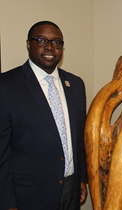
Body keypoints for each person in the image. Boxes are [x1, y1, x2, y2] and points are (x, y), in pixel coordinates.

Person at [0, 21, 87, 210]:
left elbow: (78, 138)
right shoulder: (6, 86)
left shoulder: (76, 84)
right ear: (28, 44)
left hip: (71, 188)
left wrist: (81, 178)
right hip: (29, 196)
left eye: (56, 42)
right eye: (41, 40)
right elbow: (2, 152)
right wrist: (7, 203)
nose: (49, 47)